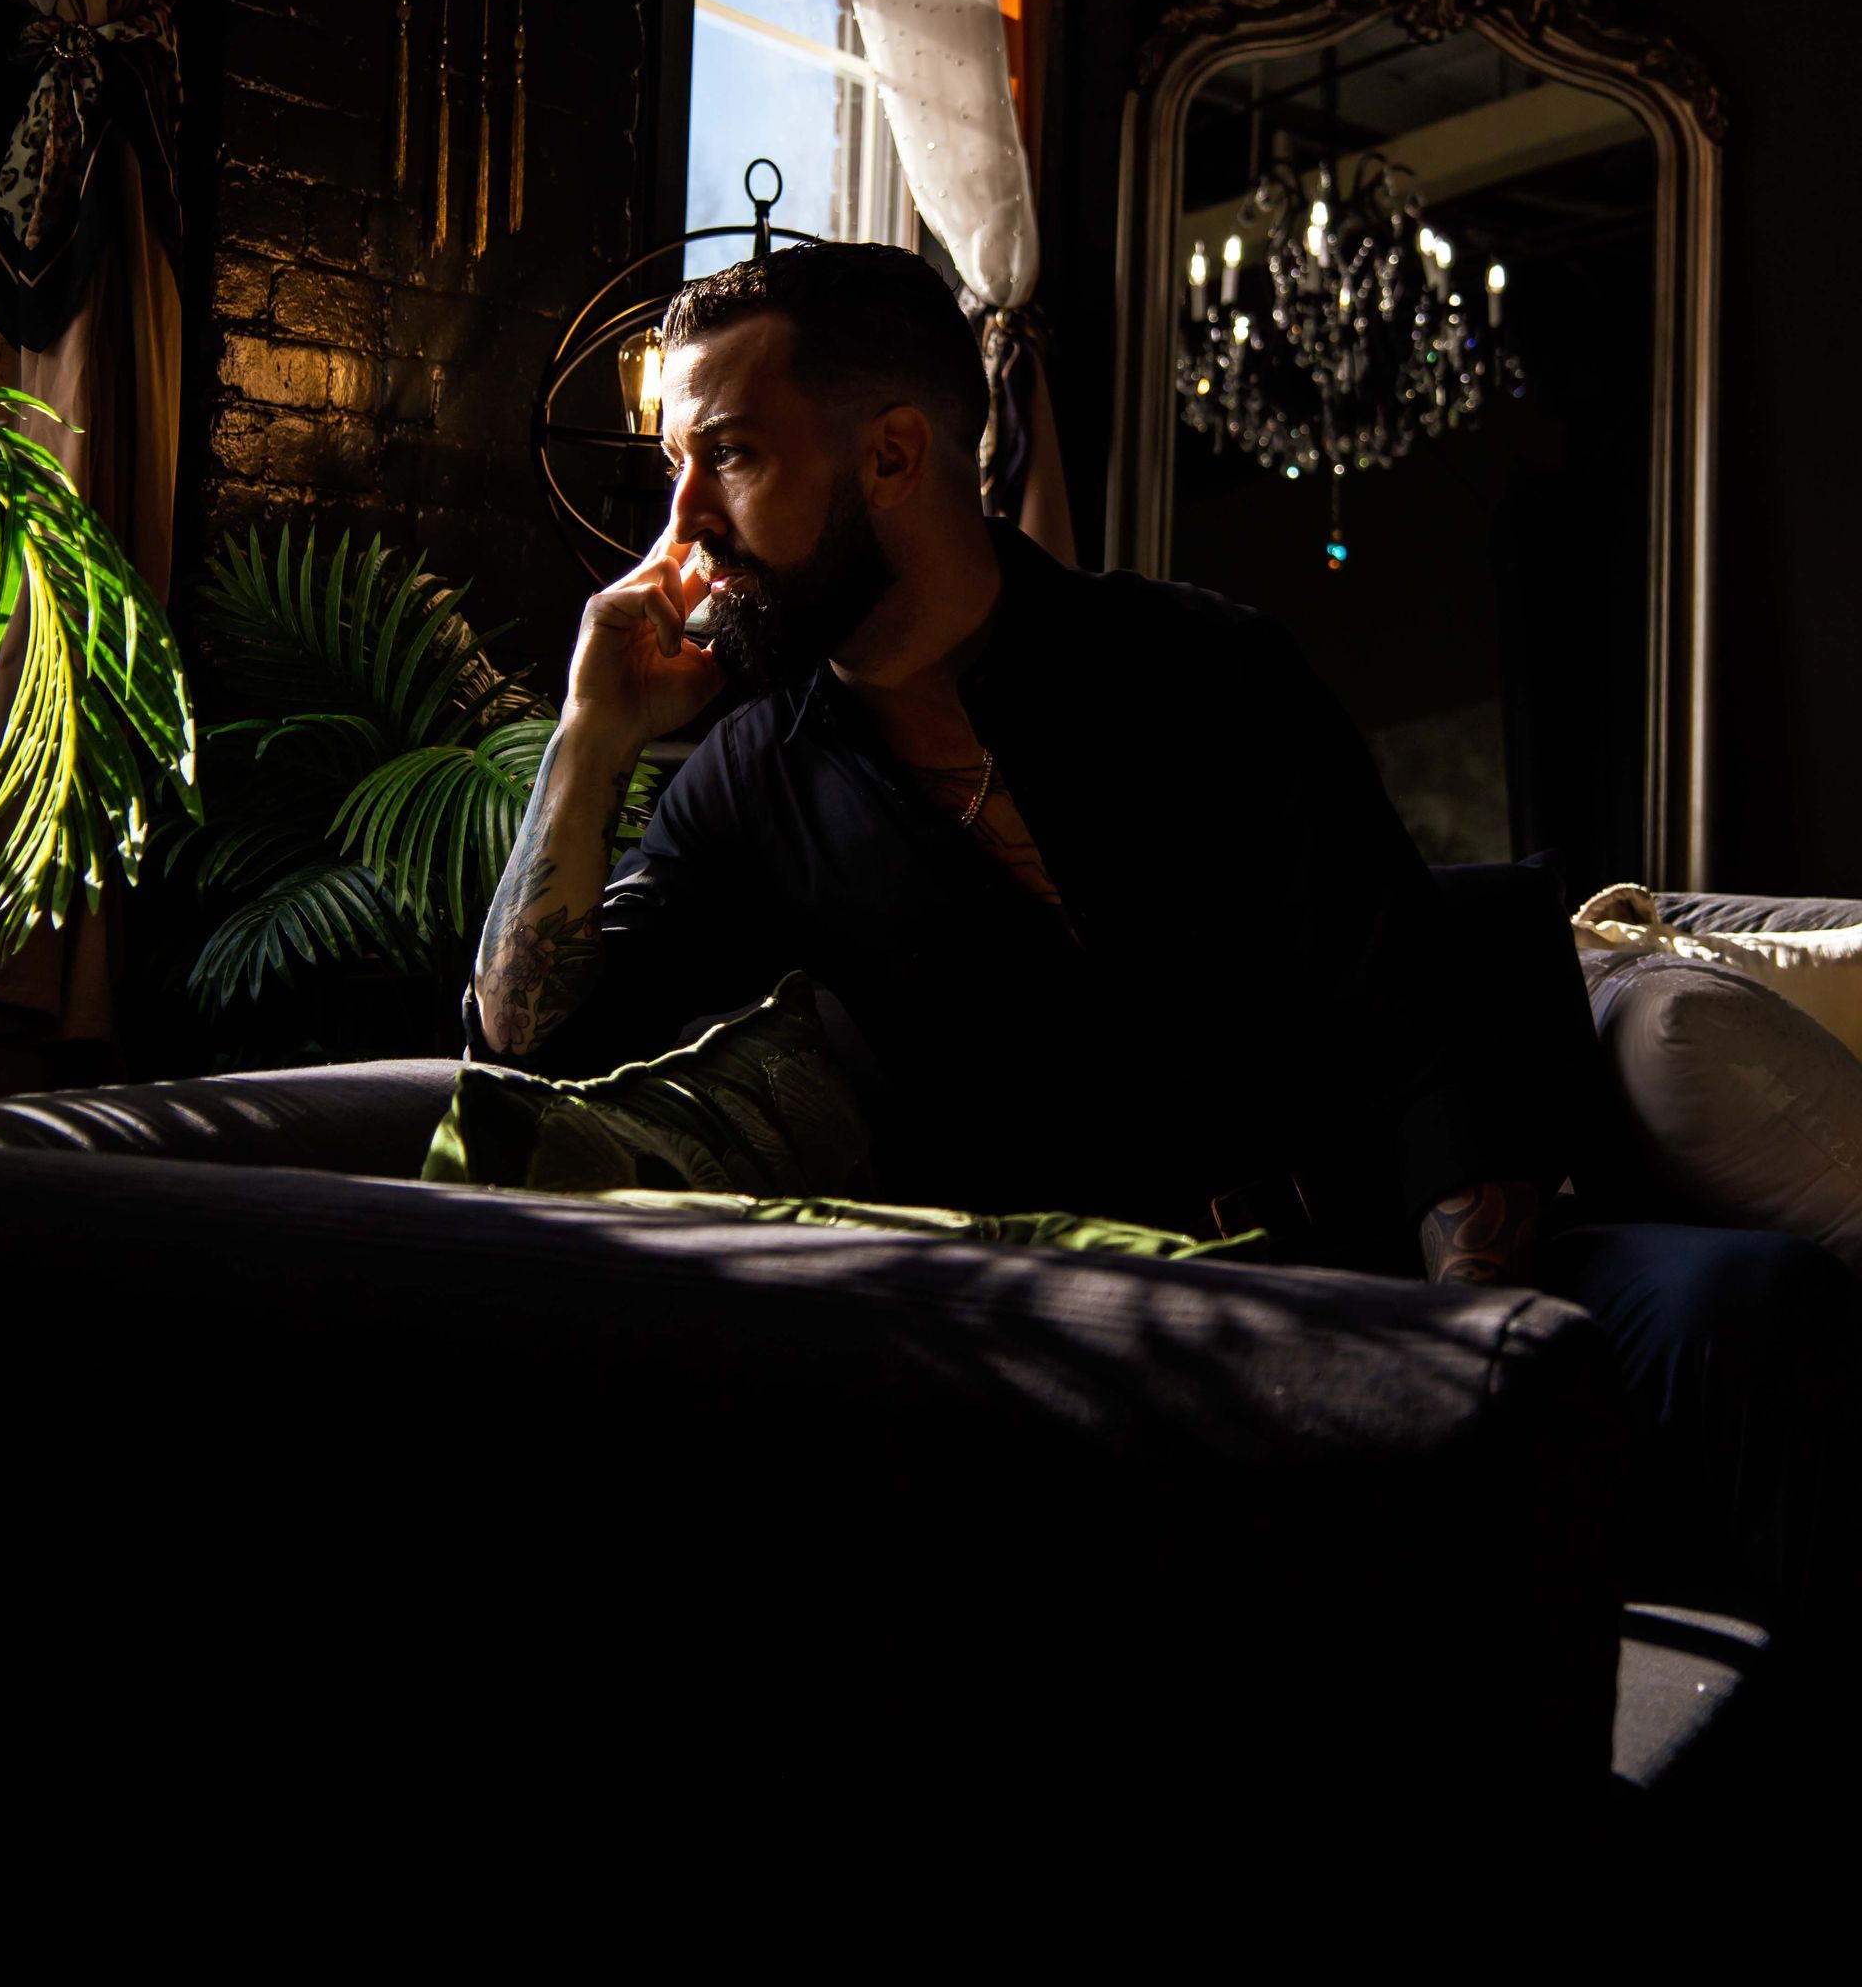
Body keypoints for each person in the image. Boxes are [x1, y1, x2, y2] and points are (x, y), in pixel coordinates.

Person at [470, 240, 1859, 1639]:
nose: (680, 523)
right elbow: (538, 1047)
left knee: (1743, 1307)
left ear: (893, 453)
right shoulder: (751, 783)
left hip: (1390, 1268)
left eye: (727, 456)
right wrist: (589, 743)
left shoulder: (1207, 667)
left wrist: (1454, 1349)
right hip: (1101, 1344)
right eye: (677, 470)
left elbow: (1413, 1029)